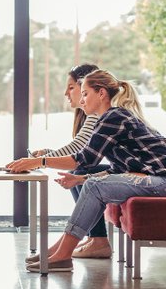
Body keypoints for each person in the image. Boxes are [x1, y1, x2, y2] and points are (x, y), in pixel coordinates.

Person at [7, 69, 166, 273]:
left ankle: (63, 255)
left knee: (93, 186)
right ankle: (57, 252)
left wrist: (38, 161)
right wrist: (81, 179)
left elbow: (84, 158)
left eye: (85, 94)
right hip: (163, 179)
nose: (81, 100)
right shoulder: (110, 118)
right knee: (91, 183)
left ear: (101, 93)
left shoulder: (114, 117)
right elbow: (116, 169)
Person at [28, 63, 112, 259]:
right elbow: (82, 150)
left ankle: (97, 240)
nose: (66, 93)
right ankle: (94, 238)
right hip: (130, 170)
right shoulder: (93, 114)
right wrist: (47, 155)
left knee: (80, 171)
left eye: (71, 87)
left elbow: (79, 152)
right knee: (79, 172)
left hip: (138, 174)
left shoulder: (100, 114)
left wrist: (42, 160)